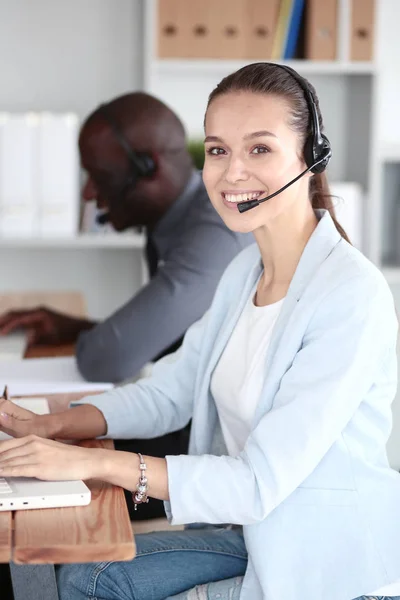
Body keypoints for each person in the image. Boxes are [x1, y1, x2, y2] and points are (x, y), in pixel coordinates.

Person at [0, 62, 398, 600]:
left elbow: (257, 483)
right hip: (253, 535)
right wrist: (58, 427)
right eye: (217, 150)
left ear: (311, 157)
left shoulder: (351, 295)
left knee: (91, 583)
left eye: (260, 149)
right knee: (87, 574)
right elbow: (173, 389)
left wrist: (92, 460)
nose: (232, 173)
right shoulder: (244, 273)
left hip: (325, 562)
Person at [0, 92, 252, 520]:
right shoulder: (173, 222)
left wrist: (92, 349)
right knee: (33, 466)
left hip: (213, 460)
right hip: (184, 424)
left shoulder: (216, 231)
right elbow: (180, 351)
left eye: (99, 175)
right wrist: (81, 329)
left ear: (148, 168)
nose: (87, 192)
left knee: (39, 503)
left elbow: (110, 359)